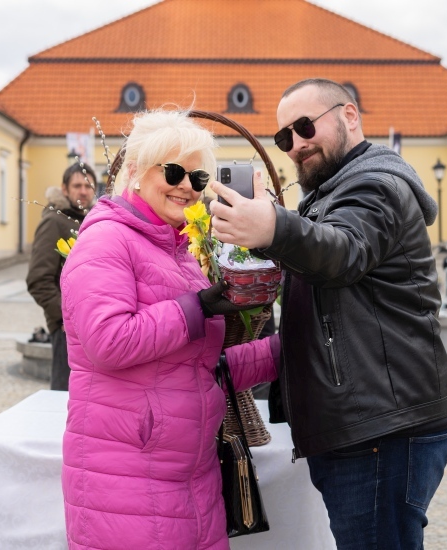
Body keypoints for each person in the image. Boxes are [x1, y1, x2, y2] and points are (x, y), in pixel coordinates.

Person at [210, 78, 447, 549]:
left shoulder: (375, 186)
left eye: (305, 127)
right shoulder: (329, 195)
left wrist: (273, 227)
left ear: (349, 116)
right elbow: (327, 323)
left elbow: (342, 253)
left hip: (382, 430)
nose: (296, 145)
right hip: (368, 425)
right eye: (284, 138)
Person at [59, 109, 279, 549]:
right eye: (174, 171)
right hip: (128, 478)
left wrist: (286, 349)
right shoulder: (106, 240)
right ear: (136, 171)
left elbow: (199, 367)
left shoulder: (175, 249)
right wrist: (196, 306)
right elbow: (109, 341)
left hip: (189, 475)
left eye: (197, 179)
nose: (186, 187)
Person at [26, 162, 97, 390]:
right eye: (77, 185)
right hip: (67, 330)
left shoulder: (94, 220)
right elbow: (38, 280)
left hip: (96, 327)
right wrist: (67, 317)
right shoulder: (54, 222)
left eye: (88, 186)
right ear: (64, 189)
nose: (83, 191)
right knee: (65, 398)